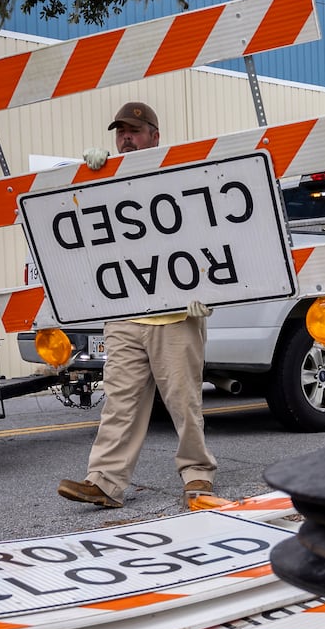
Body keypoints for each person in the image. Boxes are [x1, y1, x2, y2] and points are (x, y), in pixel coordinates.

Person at [57, 101, 219, 509]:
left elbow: (207, 232)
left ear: (154, 136)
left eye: (134, 130)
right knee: (119, 402)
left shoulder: (176, 176)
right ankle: (106, 482)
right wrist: (88, 174)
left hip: (174, 314)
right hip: (125, 312)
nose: (125, 137)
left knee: (184, 402)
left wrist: (209, 291)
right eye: (120, 132)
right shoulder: (107, 179)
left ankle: (197, 475)